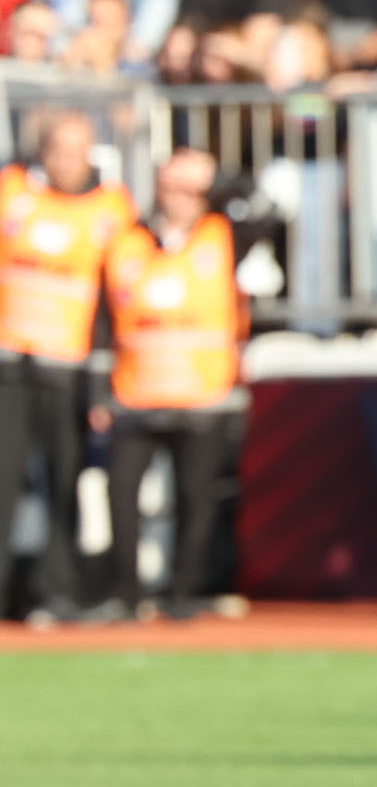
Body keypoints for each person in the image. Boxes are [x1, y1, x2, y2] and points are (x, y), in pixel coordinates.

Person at [0, 111, 141, 624]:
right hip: (10, 361)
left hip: (71, 366)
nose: (66, 162)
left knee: (65, 483)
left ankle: (56, 592)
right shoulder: (12, 190)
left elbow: (119, 295)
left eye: (77, 151)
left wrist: (105, 381)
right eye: (57, 149)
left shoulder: (112, 208)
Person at [98, 148, 246, 619]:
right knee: (120, 492)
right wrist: (99, 391)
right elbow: (103, 319)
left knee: (195, 497)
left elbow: (271, 208)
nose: (181, 199)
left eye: (191, 190)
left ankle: (182, 593)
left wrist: (216, 177)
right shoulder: (129, 240)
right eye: (173, 188)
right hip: (136, 393)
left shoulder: (223, 233)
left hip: (201, 394)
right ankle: (127, 593)